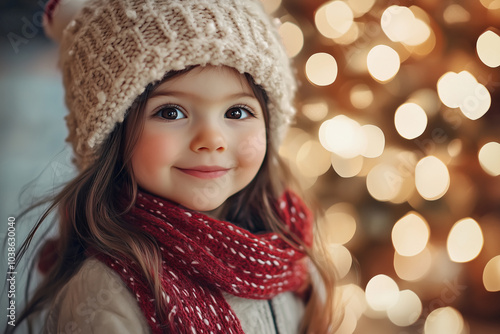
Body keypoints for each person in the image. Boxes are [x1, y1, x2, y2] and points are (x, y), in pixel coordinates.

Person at [9, 0, 337, 333]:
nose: (212, 140)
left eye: (237, 112)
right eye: (171, 112)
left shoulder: (287, 252)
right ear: (112, 134)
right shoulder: (105, 293)